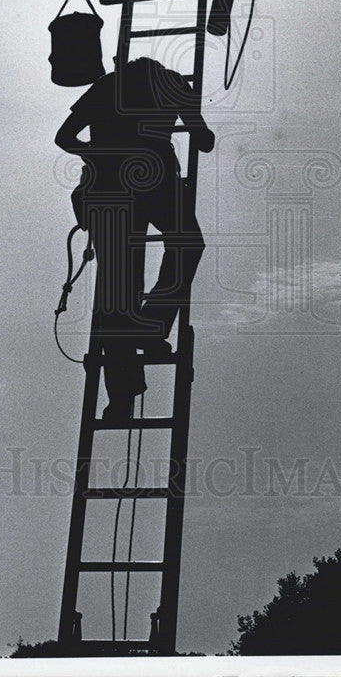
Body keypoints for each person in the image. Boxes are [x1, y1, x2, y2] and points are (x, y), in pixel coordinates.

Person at [55, 56, 214, 421]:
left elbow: (64, 137)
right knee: (186, 245)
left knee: (117, 294)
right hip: (149, 179)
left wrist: (101, 153)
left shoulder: (109, 85)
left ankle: (124, 393)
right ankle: (152, 326)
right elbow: (204, 141)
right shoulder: (171, 82)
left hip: (113, 186)